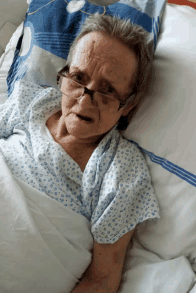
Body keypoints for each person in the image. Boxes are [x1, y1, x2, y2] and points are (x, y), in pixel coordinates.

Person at [0, 13, 159, 293]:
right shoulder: (27, 101)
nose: (85, 100)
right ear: (63, 76)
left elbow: (102, 280)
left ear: (129, 105)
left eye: (107, 90)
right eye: (78, 78)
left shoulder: (120, 169)